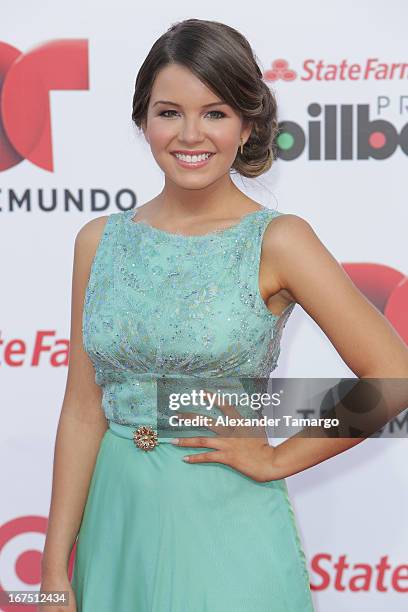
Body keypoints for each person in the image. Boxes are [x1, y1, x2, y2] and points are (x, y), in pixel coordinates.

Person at [40, 18, 408, 612]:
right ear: (143, 120)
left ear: (247, 125)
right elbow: (83, 409)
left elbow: (394, 378)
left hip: (224, 519)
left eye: (215, 112)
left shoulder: (279, 241)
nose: (191, 133)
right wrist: (53, 570)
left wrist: (278, 457)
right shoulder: (98, 241)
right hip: (117, 519)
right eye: (169, 112)